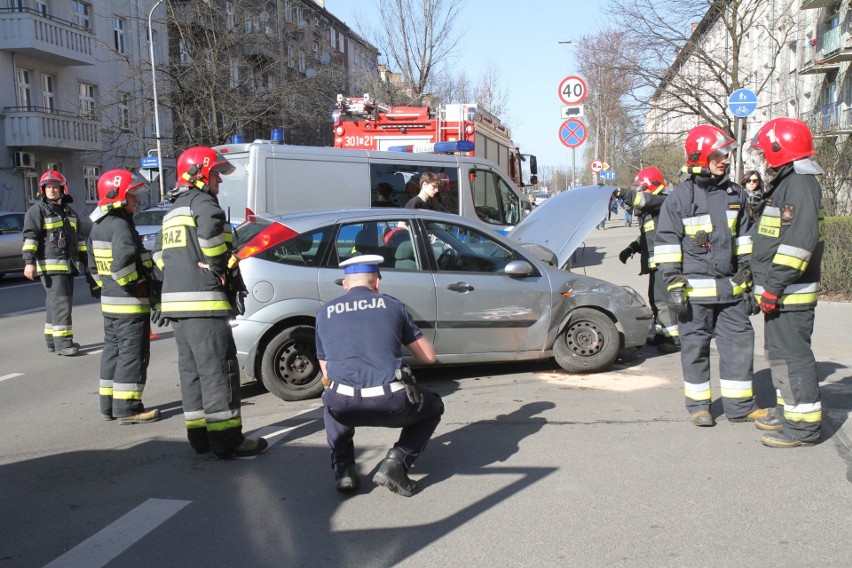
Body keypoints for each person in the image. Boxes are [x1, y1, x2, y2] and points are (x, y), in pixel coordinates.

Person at [153, 146, 267, 459]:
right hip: (205, 304)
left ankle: (200, 437)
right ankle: (227, 439)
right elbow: (213, 244)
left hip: (176, 305)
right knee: (219, 371)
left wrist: (185, 273)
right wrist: (220, 269)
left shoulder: (172, 210)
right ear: (200, 174)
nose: (219, 180)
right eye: (216, 173)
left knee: (192, 373)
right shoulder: (205, 204)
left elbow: (159, 257)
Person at [654, 125, 767, 427]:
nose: (725, 160)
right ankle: (699, 406)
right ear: (700, 157)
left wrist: (748, 272)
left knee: (740, 345)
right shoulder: (678, 198)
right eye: (718, 155)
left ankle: (740, 406)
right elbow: (665, 246)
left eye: (726, 154)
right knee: (695, 349)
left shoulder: (736, 194)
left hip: (731, 291)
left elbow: (745, 237)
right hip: (694, 294)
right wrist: (673, 283)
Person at [316, 255, 444, 496]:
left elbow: (326, 369)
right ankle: (396, 462)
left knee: (331, 400)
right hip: (391, 402)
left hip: (344, 403)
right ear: (376, 282)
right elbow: (428, 357)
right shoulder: (393, 306)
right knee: (433, 405)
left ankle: (344, 469)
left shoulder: (324, 312)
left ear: (346, 284)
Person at [748, 117, 825, 448]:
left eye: (767, 151)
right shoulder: (787, 182)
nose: (764, 157)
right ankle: (787, 412)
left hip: (789, 293)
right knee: (779, 355)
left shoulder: (800, 185)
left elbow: (798, 245)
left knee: (793, 357)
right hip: (780, 293)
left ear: (780, 149)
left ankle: (803, 428)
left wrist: (775, 285)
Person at [88, 170, 160, 424]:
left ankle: (108, 405)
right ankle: (128, 408)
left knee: (113, 353)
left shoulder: (99, 226)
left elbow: (94, 268)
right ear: (117, 197)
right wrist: (141, 288)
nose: (136, 201)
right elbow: (123, 269)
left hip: (110, 304)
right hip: (129, 306)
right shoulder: (121, 227)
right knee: (133, 355)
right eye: (132, 195)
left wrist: (109, 288)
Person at [21, 170, 88, 356]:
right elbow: (30, 238)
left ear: (62, 189)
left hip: (67, 265)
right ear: (43, 190)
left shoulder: (69, 212)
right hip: (51, 266)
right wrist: (29, 262)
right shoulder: (37, 211)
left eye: (55, 187)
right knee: (61, 304)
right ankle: (64, 343)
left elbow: (79, 240)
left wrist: (86, 261)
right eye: (48, 187)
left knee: (54, 304)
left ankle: (52, 341)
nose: (51, 190)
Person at [614, 167, 679, 351]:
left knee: (664, 301)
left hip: (666, 262)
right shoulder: (651, 211)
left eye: (642, 189)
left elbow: (642, 199)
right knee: (655, 299)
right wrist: (631, 248)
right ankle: (661, 333)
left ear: (654, 186)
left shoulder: (663, 201)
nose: (640, 192)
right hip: (655, 263)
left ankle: (673, 340)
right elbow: (646, 236)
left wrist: (620, 192)